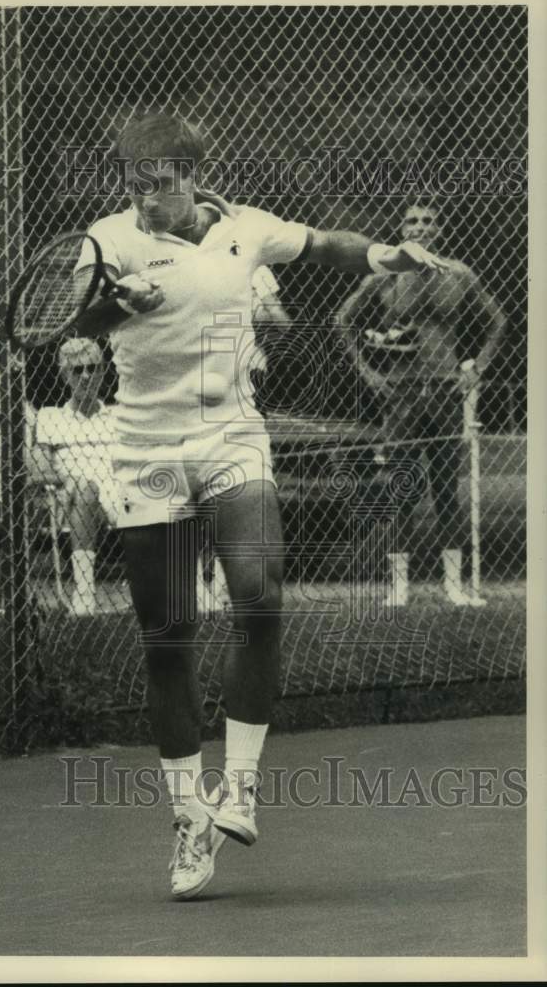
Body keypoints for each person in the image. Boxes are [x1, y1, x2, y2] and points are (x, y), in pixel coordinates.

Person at [70, 112, 449, 900]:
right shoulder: (106, 238)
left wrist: (380, 251)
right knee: (168, 639)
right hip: (146, 449)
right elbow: (77, 319)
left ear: (190, 176)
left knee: (260, 597)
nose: (145, 200)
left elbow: (321, 244)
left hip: (233, 437)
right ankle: (187, 821)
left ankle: (238, 788)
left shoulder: (245, 229)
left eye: (160, 185)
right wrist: (123, 305)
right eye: (133, 184)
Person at [335, 203, 507, 607]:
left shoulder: (458, 273)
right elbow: (343, 319)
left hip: (446, 390)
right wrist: (369, 374)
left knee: (447, 490)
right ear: (401, 227)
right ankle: (398, 588)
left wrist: (477, 368)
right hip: (402, 393)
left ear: (440, 229)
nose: (420, 226)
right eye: (412, 220)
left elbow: (498, 321)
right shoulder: (389, 273)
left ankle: (453, 586)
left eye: (429, 220)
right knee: (402, 491)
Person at [29, 337, 119, 616]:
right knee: (85, 489)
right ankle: (84, 593)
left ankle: (201, 587)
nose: (86, 376)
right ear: (65, 375)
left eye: (93, 368)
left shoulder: (119, 415)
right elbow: (38, 464)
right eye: (77, 370)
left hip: (121, 491)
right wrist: (56, 478)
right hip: (70, 495)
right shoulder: (49, 416)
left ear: (103, 371)